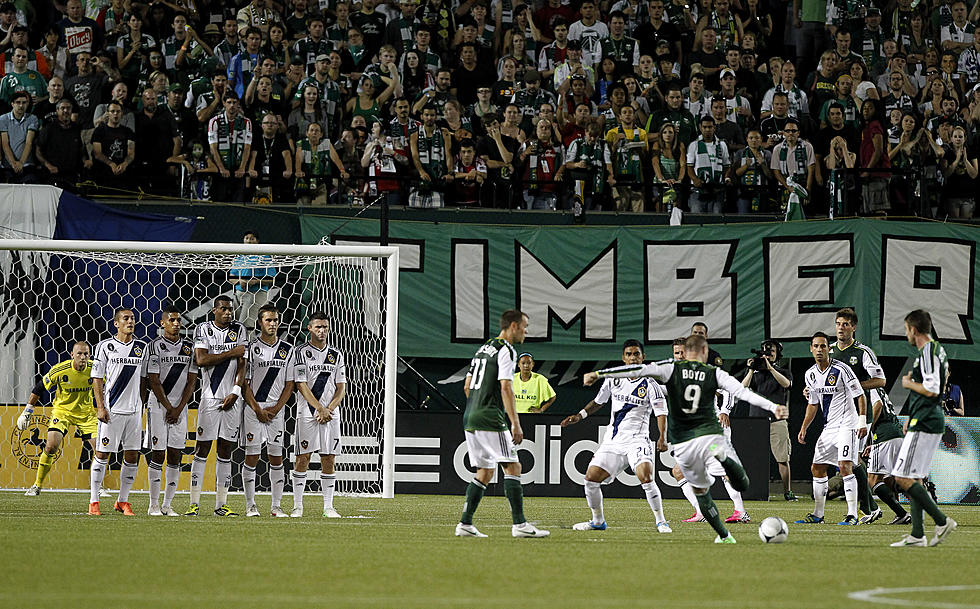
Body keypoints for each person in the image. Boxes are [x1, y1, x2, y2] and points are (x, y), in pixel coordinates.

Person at [584, 334, 787, 543]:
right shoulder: (711, 373)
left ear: (686, 352)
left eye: (681, 352)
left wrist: (599, 373)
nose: (679, 355)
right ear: (704, 352)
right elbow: (741, 391)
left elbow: (638, 370)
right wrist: (772, 406)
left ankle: (729, 520)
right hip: (701, 435)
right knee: (702, 482)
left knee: (709, 486)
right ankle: (723, 522)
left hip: (693, 436)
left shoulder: (670, 369)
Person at [456, 309, 549, 538]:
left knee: (485, 471)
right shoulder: (506, 350)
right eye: (525, 327)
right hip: (489, 417)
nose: (526, 332)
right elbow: (506, 387)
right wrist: (515, 423)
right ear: (514, 326)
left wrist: (477, 406)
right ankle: (520, 525)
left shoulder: (483, 349)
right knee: (513, 467)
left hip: (470, 416)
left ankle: (465, 524)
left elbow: (467, 386)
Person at [562, 339, 670, 532]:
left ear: (643, 357)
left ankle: (661, 521)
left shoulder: (650, 384)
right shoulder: (613, 378)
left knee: (645, 476)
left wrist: (662, 437)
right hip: (613, 441)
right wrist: (580, 415)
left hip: (637, 440)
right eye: (628, 354)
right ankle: (597, 521)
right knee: (590, 478)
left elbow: (661, 412)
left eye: (636, 354)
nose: (632, 358)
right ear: (623, 358)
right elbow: (599, 401)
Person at [890, 309, 956, 547]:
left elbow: (932, 389)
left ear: (914, 330)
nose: (906, 334)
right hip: (926, 418)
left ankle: (941, 520)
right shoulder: (935, 350)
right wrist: (912, 414)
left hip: (927, 421)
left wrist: (909, 383)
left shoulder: (928, 351)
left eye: (907, 329)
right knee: (915, 478)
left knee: (902, 477)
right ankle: (917, 535)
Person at [795, 331, 866, 526]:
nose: (819, 350)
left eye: (823, 346)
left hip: (848, 425)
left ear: (829, 348)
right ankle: (818, 514)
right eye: (816, 346)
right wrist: (804, 427)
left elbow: (860, 395)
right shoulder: (810, 374)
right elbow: (813, 403)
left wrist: (861, 420)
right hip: (829, 428)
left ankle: (853, 515)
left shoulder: (842, 369)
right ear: (811, 349)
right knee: (816, 468)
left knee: (845, 466)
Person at [186, 296, 248, 517]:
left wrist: (235, 391)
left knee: (225, 450)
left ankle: (221, 505)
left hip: (232, 398)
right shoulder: (203, 329)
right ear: (214, 311)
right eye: (224, 309)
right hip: (210, 398)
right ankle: (194, 504)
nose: (229, 313)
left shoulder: (239, 329)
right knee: (202, 449)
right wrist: (231, 352)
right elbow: (201, 360)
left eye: (231, 309)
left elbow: (243, 364)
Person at [18, 342, 104, 497]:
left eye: (86, 354)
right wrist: (27, 412)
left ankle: (98, 486)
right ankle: (37, 485)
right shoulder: (60, 370)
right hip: (62, 412)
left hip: (86, 414)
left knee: (101, 450)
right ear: (72, 355)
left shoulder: (95, 369)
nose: (83, 357)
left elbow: (108, 386)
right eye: (79, 354)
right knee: (51, 446)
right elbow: (39, 388)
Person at [89, 309, 148, 517]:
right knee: (102, 454)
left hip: (133, 412)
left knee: (132, 456)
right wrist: (100, 407)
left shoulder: (142, 347)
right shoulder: (105, 347)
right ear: (116, 324)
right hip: (112, 411)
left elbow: (143, 379)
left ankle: (122, 501)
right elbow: (97, 378)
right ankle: (93, 501)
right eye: (126, 318)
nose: (130, 321)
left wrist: (141, 404)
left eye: (132, 318)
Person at [829, 307, 886, 523]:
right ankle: (870, 507)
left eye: (845, 324)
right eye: (838, 324)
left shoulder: (863, 352)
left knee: (852, 461)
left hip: (859, 414)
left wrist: (855, 386)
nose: (841, 328)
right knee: (852, 462)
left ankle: (867, 507)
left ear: (853, 327)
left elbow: (881, 381)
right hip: (837, 415)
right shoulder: (830, 350)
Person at [143, 306, 199, 517]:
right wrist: (169, 408)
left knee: (175, 454)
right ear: (162, 323)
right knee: (158, 453)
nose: (176, 324)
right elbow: (153, 381)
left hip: (180, 408)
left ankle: (167, 505)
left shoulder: (190, 347)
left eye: (178, 321)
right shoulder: (154, 346)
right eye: (172, 320)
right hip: (158, 407)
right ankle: (153, 505)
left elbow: (192, 381)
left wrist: (179, 408)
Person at [291, 312, 347, 518]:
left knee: (329, 458)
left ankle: (328, 506)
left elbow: (341, 387)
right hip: (307, 413)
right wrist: (319, 408)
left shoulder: (336, 354)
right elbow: (301, 385)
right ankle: (298, 506)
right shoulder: (300, 352)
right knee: (303, 458)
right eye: (318, 327)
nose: (322, 331)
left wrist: (329, 409)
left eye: (325, 327)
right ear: (310, 329)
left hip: (331, 415)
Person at [242, 304, 295, 518]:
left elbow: (290, 384)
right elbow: (244, 383)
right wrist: (257, 409)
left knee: (276, 457)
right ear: (260, 323)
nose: (272, 324)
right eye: (268, 320)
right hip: (254, 409)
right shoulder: (251, 349)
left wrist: (276, 408)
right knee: (252, 456)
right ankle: (250, 505)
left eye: (275, 320)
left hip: (276, 411)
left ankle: (276, 506)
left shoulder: (288, 349)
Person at [741, 339, 795, 501]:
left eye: (771, 350)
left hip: (776, 421)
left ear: (778, 353)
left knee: (782, 459)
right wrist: (751, 370)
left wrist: (770, 367)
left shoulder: (783, 371)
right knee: (753, 459)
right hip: (755, 422)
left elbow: (787, 384)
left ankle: (787, 491)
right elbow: (741, 389)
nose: (767, 353)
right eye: (765, 350)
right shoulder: (755, 372)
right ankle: (752, 491)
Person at [864, 388, 910, 525]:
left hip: (884, 435)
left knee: (872, 479)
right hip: (896, 434)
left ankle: (902, 512)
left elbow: (878, 404)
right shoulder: (879, 389)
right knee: (889, 480)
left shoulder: (870, 388)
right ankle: (906, 509)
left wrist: (868, 430)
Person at [228, 231, 277, 331]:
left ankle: (247, 346)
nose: (249, 241)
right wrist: (239, 281)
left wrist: (256, 281)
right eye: (246, 238)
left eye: (252, 238)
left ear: (257, 241)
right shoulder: (239, 257)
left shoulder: (264, 256)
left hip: (256, 294)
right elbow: (231, 276)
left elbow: (271, 279)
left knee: (246, 325)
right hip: (239, 294)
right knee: (237, 325)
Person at [686, 115, 730, 213]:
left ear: (714, 127)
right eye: (704, 127)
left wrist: (726, 177)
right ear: (700, 128)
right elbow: (689, 166)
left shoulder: (722, 145)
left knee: (716, 219)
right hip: (698, 190)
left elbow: (727, 165)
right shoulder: (694, 145)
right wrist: (695, 179)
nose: (707, 129)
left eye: (710, 127)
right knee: (697, 219)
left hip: (717, 189)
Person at [0, 90, 38, 183]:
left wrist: (21, 163)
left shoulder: (32, 119)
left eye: (24, 103)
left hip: (27, 164)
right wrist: (13, 163)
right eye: (18, 102)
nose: (21, 105)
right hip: (7, 165)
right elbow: (5, 143)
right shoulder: (3, 119)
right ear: (12, 104)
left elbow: (29, 142)